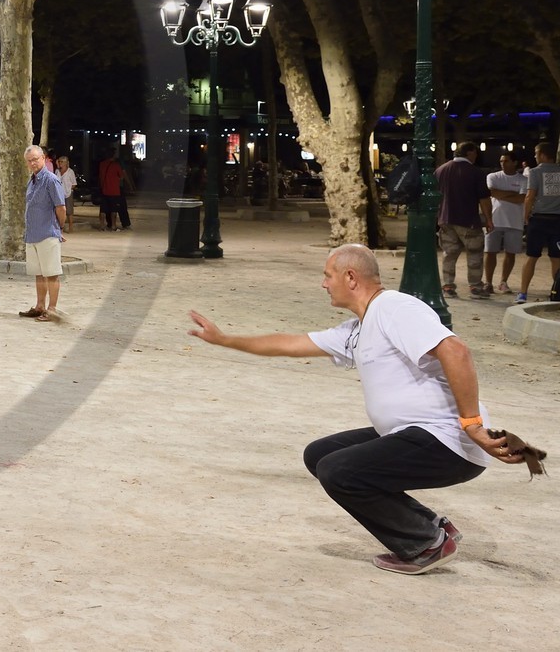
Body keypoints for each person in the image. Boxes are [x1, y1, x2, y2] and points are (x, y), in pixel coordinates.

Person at [187, 243, 526, 575]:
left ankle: (426, 544)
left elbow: (456, 351)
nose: (323, 284)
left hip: (446, 440)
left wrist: (472, 425)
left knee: (340, 470)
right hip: (416, 434)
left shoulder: (394, 308)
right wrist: (226, 339)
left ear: (350, 277)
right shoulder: (358, 329)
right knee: (320, 455)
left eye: (327, 275)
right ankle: (429, 526)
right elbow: (289, 343)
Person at [517, 141, 560, 304]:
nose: (535, 157)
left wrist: (526, 215)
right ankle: (556, 291)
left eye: (536, 154)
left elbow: (530, 196)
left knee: (532, 256)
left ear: (542, 155)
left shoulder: (535, 172)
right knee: (556, 257)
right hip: (557, 219)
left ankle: (523, 293)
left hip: (539, 218)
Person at [19, 145, 68, 321]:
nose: (32, 163)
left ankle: (52, 308)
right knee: (39, 273)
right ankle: (40, 306)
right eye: (29, 161)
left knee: (51, 273)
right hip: (32, 234)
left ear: (43, 158)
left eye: (35, 159)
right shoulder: (31, 181)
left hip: (47, 233)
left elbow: (61, 207)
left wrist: (58, 228)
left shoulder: (51, 180)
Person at [435, 145, 491, 299]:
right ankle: (475, 286)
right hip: (468, 219)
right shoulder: (475, 172)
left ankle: (447, 286)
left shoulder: (440, 170)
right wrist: (489, 219)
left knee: (449, 254)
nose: (476, 156)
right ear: (470, 152)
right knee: (474, 253)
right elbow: (484, 199)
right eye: (475, 152)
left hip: (445, 219)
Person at [484, 153, 528, 296]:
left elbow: (522, 198)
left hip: (515, 221)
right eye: (501, 161)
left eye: (507, 161)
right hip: (495, 219)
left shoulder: (523, 179)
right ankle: (488, 282)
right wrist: (512, 194)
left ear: (515, 162)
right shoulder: (493, 176)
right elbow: (491, 192)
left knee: (510, 253)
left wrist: (501, 194)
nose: (503, 163)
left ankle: (503, 281)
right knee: (490, 252)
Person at [98, 154, 128, 231]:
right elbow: (121, 176)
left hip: (104, 190)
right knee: (114, 210)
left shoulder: (102, 164)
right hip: (114, 191)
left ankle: (102, 226)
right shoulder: (116, 165)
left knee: (103, 210)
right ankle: (113, 226)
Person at [55, 153, 79, 234]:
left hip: (68, 193)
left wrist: (68, 189)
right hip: (59, 194)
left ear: (65, 163)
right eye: (59, 161)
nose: (60, 163)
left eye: (61, 161)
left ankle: (70, 227)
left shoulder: (70, 172)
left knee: (69, 211)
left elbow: (74, 184)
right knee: (60, 211)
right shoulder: (57, 171)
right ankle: (61, 227)